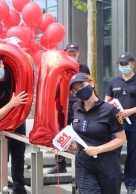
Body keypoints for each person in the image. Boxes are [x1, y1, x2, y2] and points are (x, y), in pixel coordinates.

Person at [67, 72, 126, 194]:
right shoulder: (76, 107)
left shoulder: (110, 110)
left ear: (91, 83)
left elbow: (121, 139)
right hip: (84, 164)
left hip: (107, 164)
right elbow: (80, 133)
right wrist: (74, 145)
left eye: (82, 85)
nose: (79, 91)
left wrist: (98, 149)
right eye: (75, 90)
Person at [0, 54, 28, 194]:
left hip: (18, 121)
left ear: (2, 63)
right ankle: (0, 189)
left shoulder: (12, 72)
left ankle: (19, 189)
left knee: (18, 156)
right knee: (1, 159)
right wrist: (11, 104)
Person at [105, 52, 136, 194]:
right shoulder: (113, 81)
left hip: (135, 122)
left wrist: (131, 111)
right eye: (121, 64)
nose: (123, 67)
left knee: (133, 154)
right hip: (117, 124)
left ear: (132, 64)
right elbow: (107, 101)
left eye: (125, 64)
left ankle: (131, 186)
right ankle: (114, 182)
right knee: (113, 153)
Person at [48, 42, 90, 174]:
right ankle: (60, 163)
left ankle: (82, 164)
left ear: (78, 54)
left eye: (74, 54)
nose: (72, 56)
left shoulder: (84, 68)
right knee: (61, 134)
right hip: (63, 107)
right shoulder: (60, 68)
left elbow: (88, 85)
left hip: (80, 107)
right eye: (70, 54)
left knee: (80, 135)